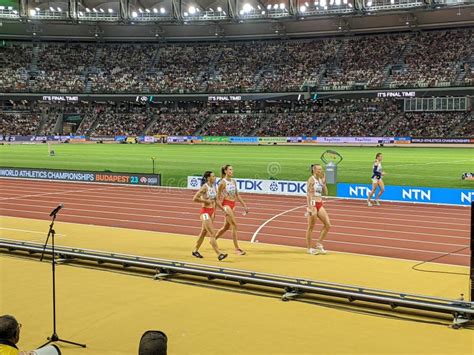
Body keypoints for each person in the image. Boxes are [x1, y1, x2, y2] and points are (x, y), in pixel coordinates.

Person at [192, 171, 228, 261]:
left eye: (214, 176)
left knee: (203, 232)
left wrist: (223, 209)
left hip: (211, 212)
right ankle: (219, 254)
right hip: (205, 213)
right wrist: (205, 201)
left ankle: (195, 250)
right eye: (213, 176)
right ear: (208, 178)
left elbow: (216, 200)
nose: (215, 177)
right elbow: (194, 199)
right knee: (212, 233)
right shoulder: (205, 187)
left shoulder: (214, 187)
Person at [215, 165, 249, 256]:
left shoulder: (233, 181)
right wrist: (221, 209)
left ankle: (213, 239)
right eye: (230, 169)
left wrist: (245, 206)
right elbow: (217, 198)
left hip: (233, 204)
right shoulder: (222, 183)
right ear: (225, 171)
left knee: (226, 227)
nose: (232, 171)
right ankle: (237, 249)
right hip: (226, 205)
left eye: (232, 169)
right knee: (234, 225)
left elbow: (237, 195)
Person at [305, 164, 331, 255]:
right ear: (314, 170)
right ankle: (309, 248)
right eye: (319, 169)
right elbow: (308, 194)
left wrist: (324, 184)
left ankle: (319, 243)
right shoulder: (311, 180)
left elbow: (326, 193)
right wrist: (309, 207)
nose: (321, 171)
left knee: (328, 225)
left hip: (320, 203)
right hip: (313, 203)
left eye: (321, 169)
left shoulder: (320, 180)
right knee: (311, 227)